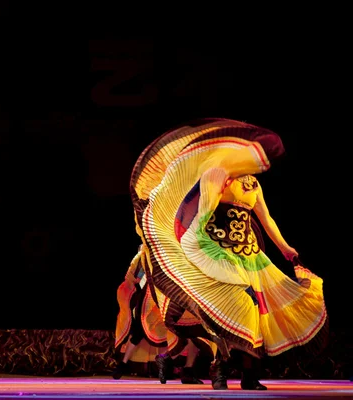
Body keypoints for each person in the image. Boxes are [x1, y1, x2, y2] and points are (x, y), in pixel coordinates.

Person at [129, 118, 328, 390]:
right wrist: (196, 248)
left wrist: (286, 250)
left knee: (255, 314)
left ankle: (247, 375)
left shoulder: (253, 185)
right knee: (237, 308)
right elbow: (201, 220)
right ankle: (219, 367)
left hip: (252, 258)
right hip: (218, 254)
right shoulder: (215, 174)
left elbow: (267, 220)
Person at [113, 244, 209, 384]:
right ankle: (125, 364)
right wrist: (138, 281)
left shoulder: (168, 252)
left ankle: (168, 365)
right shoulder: (142, 256)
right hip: (149, 298)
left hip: (164, 297)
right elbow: (129, 277)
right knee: (142, 332)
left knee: (172, 332)